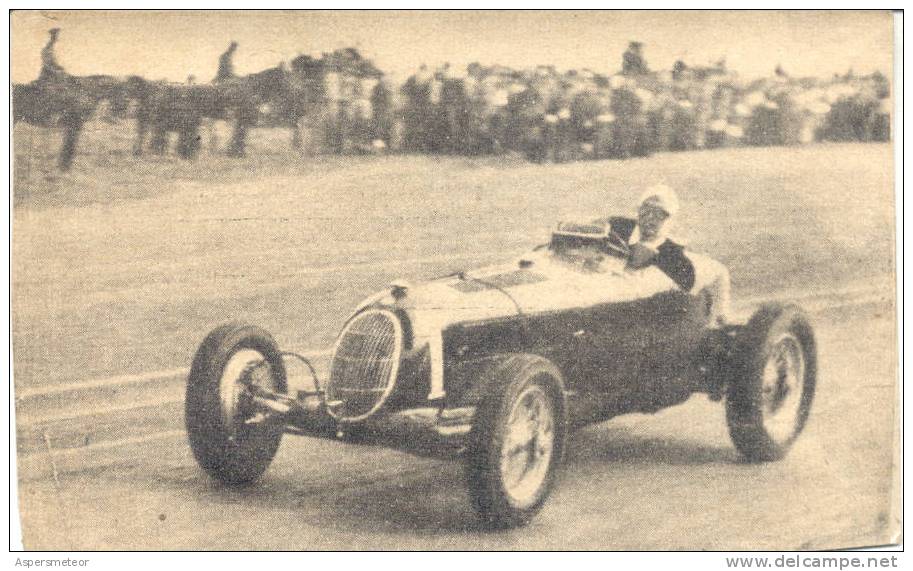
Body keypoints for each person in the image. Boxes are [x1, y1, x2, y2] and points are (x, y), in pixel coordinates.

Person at [609, 185, 732, 326]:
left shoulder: (676, 260)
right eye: (646, 210)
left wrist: (719, 315)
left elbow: (719, 273)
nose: (651, 218)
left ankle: (718, 323)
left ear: (671, 221)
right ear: (638, 210)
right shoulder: (617, 226)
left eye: (660, 215)